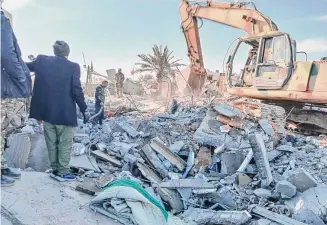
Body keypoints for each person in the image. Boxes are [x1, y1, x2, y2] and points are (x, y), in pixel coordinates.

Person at [26, 40, 88, 181]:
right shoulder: (73, 67)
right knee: (65, 143)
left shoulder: (42, 61)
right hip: (65, 114)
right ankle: (63, 171)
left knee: (51, 143)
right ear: (67, 53)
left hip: (47, 114)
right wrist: (84, 108)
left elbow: (24, 67)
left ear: (54, 51)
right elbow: (76, 89)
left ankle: (55, 168)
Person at [1, 6, 33, 186]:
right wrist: (22, 79)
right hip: (5, 87)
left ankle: (2, 165)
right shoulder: (1, 19)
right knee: (2, 128)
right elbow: (6, 52)